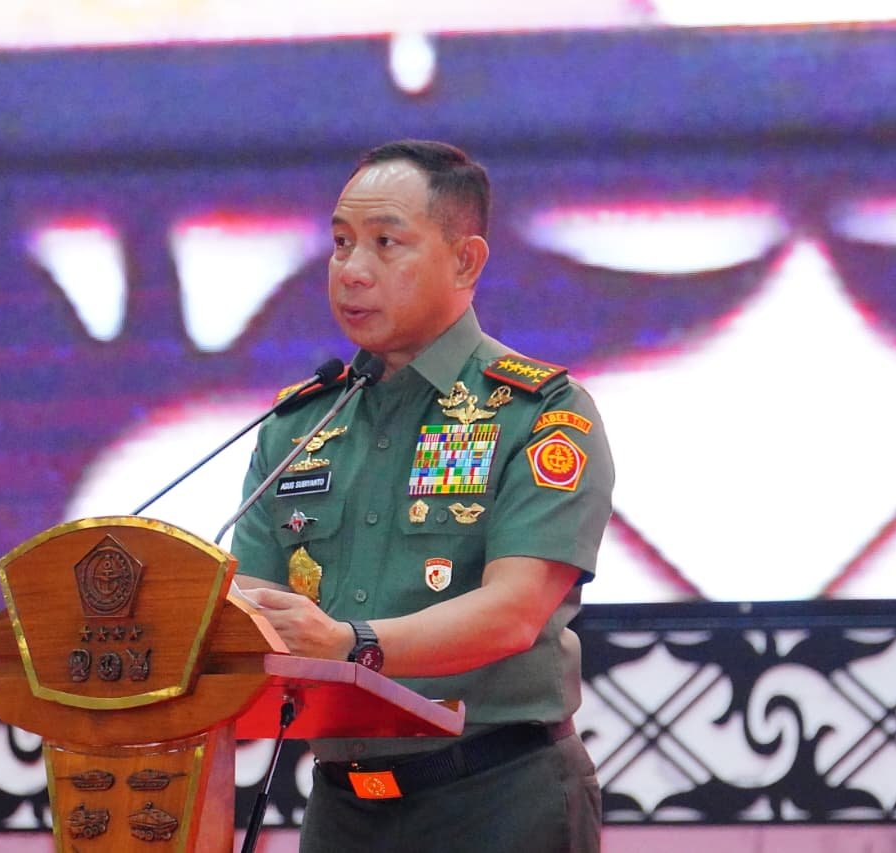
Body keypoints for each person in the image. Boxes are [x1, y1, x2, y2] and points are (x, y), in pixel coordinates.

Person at [231, 139, 614, 853]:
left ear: (465, 261)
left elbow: (514, 612)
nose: (352, 270)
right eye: (340, 243)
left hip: (497, 800)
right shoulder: (298, 425)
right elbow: (253, 606)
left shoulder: (538, 414)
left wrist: (352, 645)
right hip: (343, 811)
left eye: (386, 242)